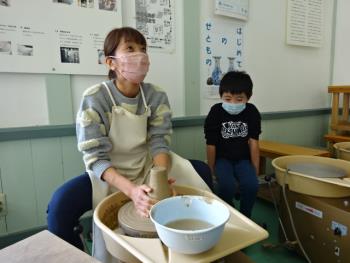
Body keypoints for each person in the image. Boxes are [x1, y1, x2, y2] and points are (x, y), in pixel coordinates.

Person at [47, 27, 211, 262]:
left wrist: (161, 177)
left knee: (202, 172)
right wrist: (132, 190)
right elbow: (95, 157)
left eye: (143, 49)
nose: (140, 56)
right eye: (130, 49)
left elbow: (159, 141)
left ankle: (196, 246)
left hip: (147, 166)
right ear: (111, 62)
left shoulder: (155, 95)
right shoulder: (95, 97)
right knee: (60, 205)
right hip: (108, 174)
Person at [204, 71, 261, 218]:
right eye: (228, 99)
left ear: (248, 97)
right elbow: (211, 144)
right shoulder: (215, 112)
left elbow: (254, 142)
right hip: (222, 159)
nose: (233, 103)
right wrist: (210, 170)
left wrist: (255, 169)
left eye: (239, 99)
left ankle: (246, 216)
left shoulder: (252, 112)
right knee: (226, 186)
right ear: (221, 96)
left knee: (252, 185)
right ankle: (229, 213)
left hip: (243, 160)